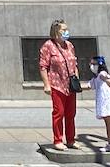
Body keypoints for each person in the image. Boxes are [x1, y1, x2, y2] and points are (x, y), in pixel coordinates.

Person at [38, 19, 79, 150]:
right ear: (56, 31)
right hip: (57, 84)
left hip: (70, 85)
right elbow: (43, 66)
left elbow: (75, 63)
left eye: (67, 29)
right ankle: (58, 140)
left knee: (71, 113)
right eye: (63, 30)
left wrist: (76, 79)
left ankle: (71, 139)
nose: (66, 32)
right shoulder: (48, 46)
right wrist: (46, 84)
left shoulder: (70, 45)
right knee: (58, 113)